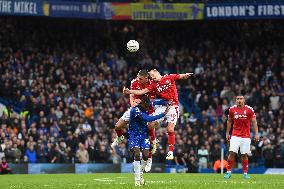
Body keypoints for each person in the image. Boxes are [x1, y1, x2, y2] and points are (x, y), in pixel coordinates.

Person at [124, 69, 193, 160]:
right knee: (150, 126)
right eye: (151, 77)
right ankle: (153, 143)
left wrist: (185, 75)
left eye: (153, 76)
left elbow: (180, 76)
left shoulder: (169, 77)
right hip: (162, 105)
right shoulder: (153, 84)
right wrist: (130, 92)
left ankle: (170, 152)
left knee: (170, 129)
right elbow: (142, 92)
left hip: (173, 106)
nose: (152, 78)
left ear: (157, 72)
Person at [111, 69, 157, 171]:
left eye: (140, 78)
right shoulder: (134, 82)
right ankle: (120, 137)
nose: (138, 79)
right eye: (137, 77)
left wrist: (135, 97)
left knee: (149, 128)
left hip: (148, 110)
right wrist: (132, 103)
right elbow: (131, 96)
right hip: (135, 109)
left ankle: (150, 157)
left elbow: (144, 92)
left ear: (146, 78)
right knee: (117, 126)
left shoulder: (152, 83)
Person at [129, 95, 168, 186]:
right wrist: (162, 114)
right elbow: (147, 118)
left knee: (146, 155)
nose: (148, 108)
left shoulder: (147, 104)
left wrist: (168, 103)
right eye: (147, 106)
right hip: (134, 136)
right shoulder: (135, 110)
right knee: (137, 154)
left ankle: (140, 172)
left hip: (144, 136)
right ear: (143, 103)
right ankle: (137, 180)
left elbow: (157, 102)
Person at [224, 95, 259, 179]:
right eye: (238, 99)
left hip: (246, 136)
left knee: (244, 154)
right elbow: (229, 121)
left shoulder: (249, 109)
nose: (239, 100)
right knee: (232, 152)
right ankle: (228, 172)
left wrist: (256, 134)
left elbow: (254, 122)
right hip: (235, 135)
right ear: (236, 100)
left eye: (241, 99)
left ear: (244, 100)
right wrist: (227, 133)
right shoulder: (232, 109)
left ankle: (245, 173)